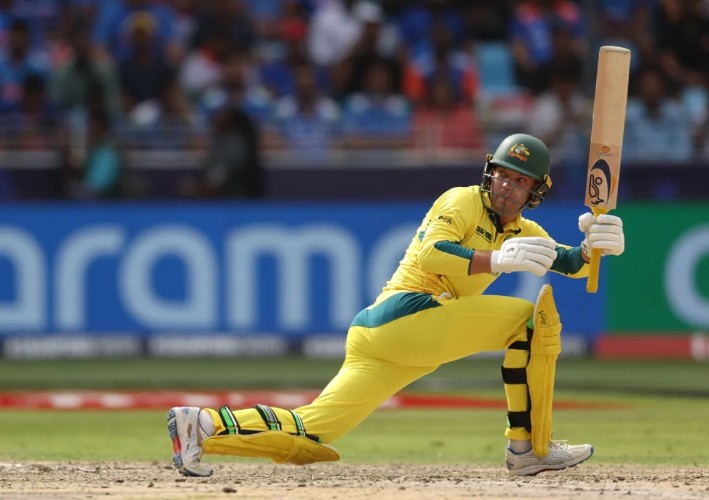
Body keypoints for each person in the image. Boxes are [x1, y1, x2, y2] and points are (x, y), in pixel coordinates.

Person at [167, 133, 626, 477]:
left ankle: (201, 426)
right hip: (406, 315)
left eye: (519, 180)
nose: (507, 186)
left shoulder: (525, 231)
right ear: (490, 172)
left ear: (535, 191)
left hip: (388, 340)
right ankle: (529, 449)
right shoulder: (461, 200)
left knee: (314, 431)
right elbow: (431, 255)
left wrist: (594, 247)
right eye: (503, 174)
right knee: (528, 320)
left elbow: (569, 262)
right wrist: (496, 260)